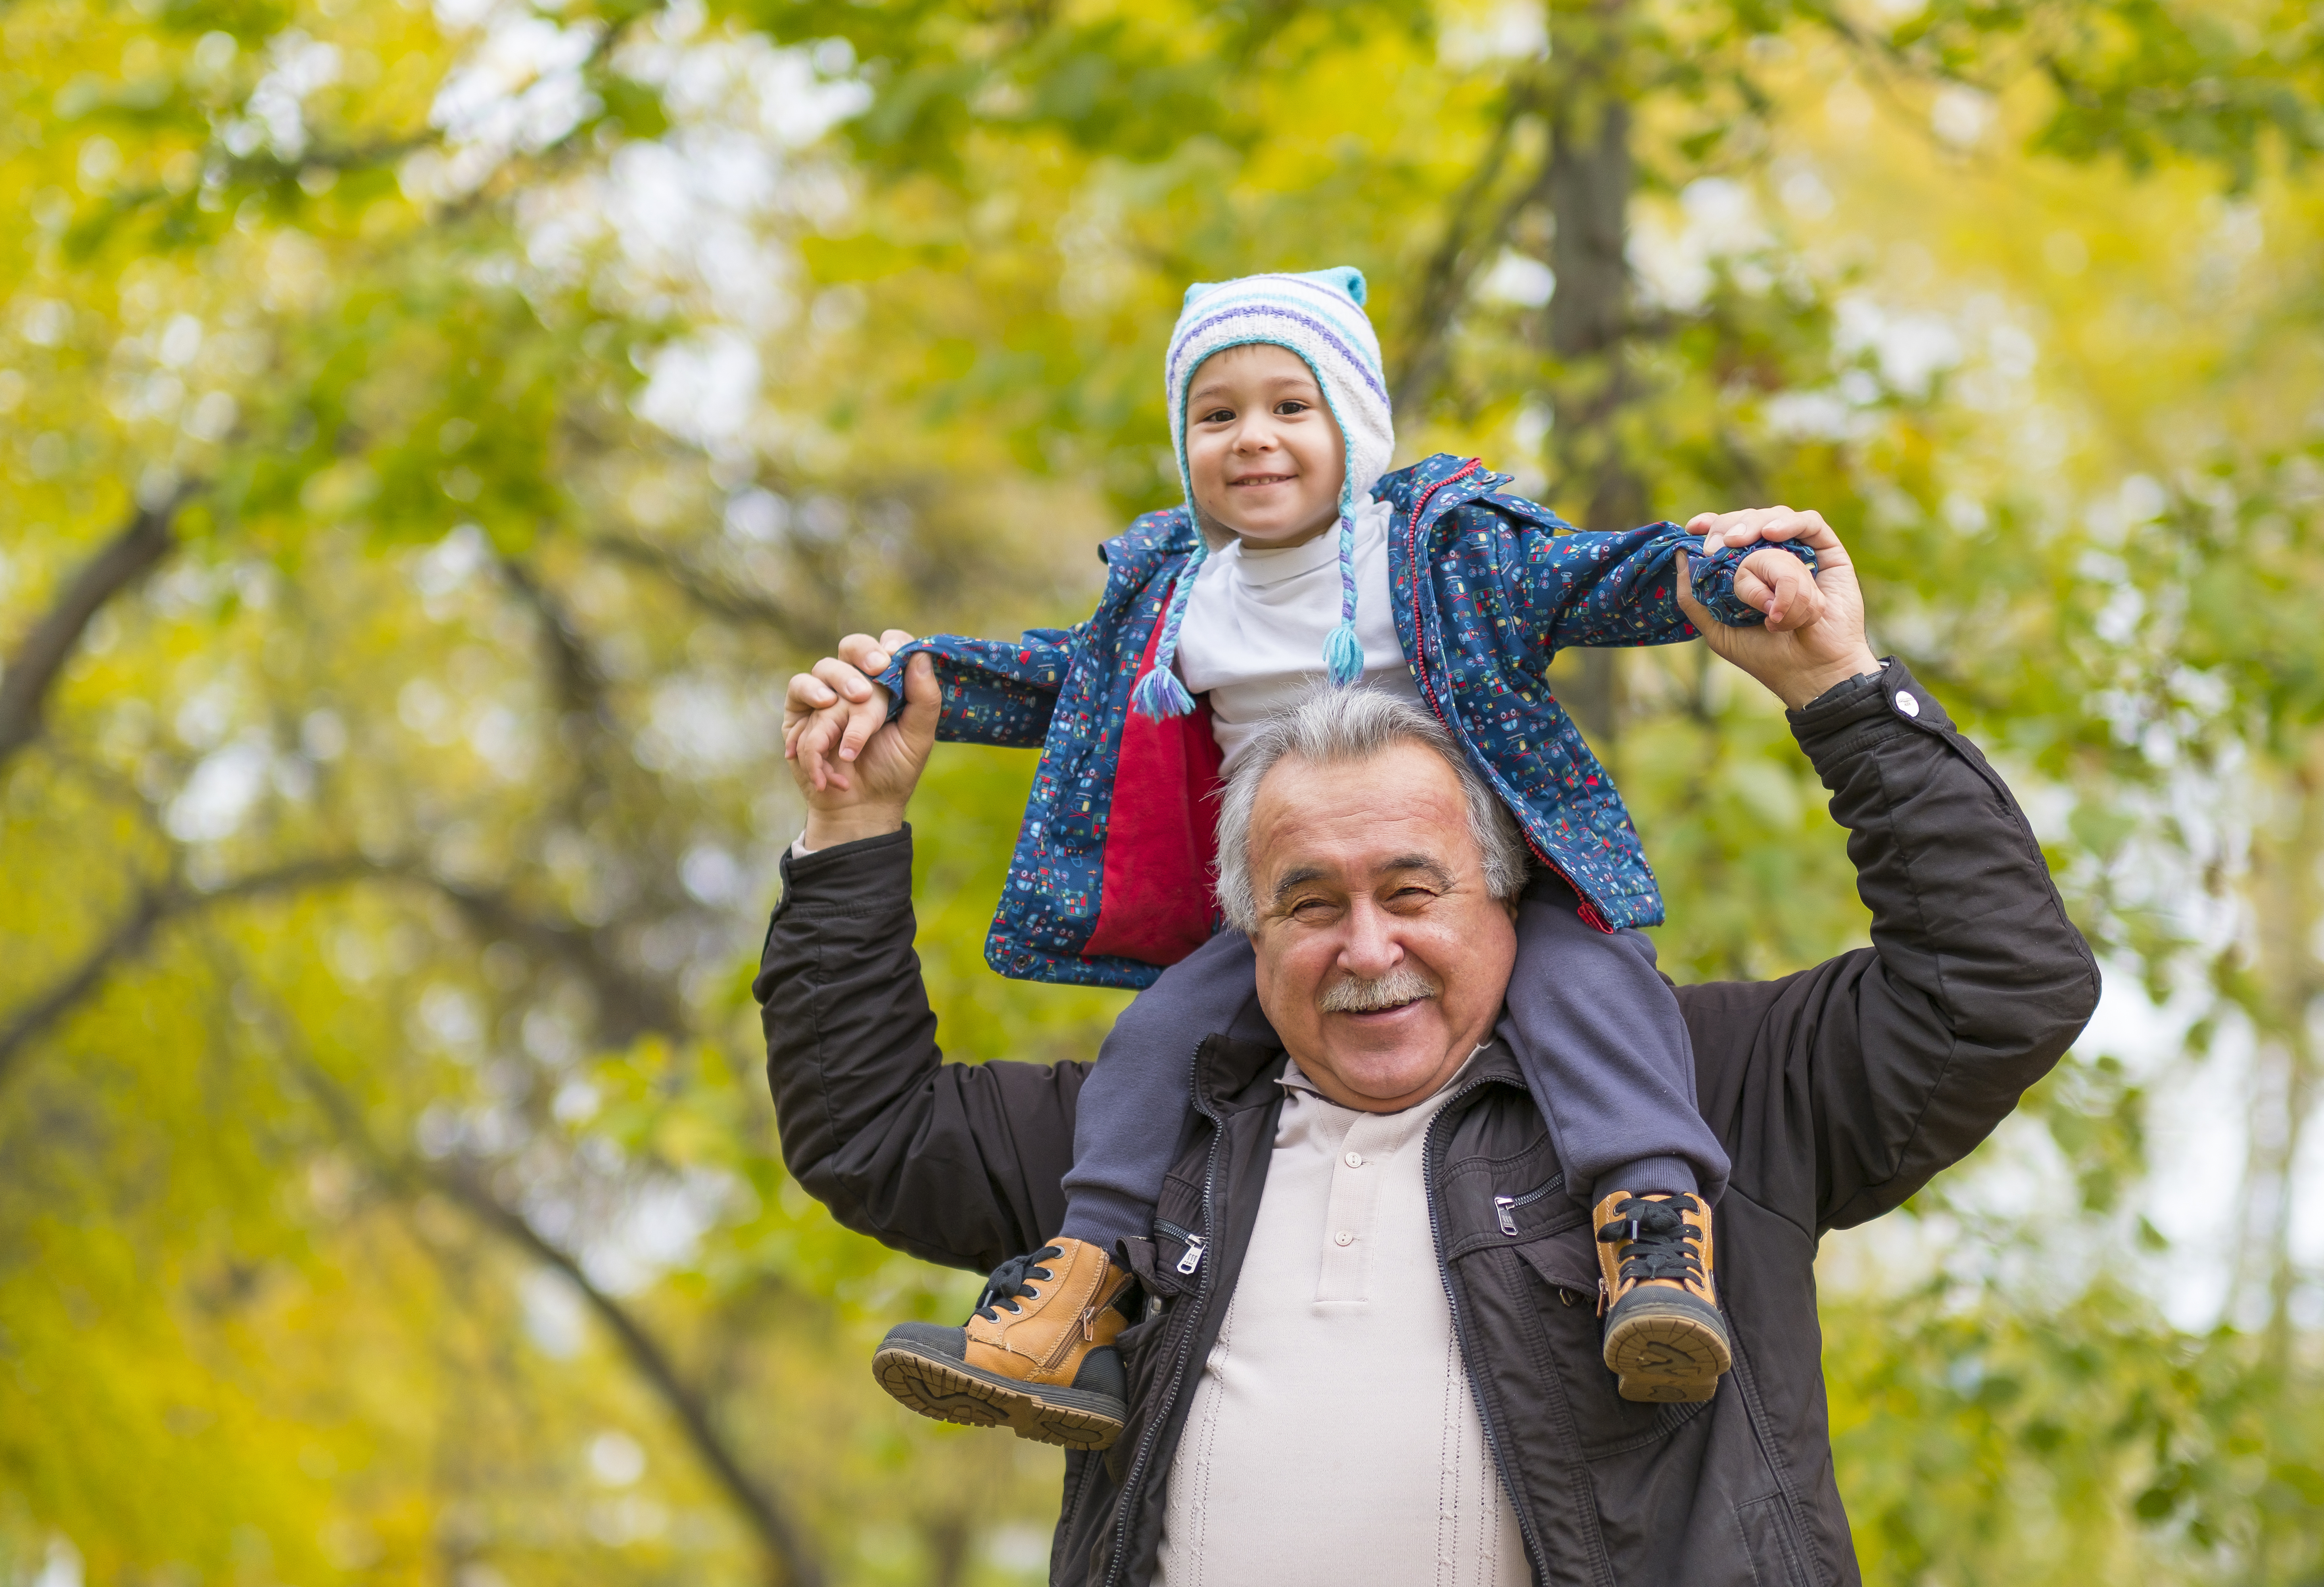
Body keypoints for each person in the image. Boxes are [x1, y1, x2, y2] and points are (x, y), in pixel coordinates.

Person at [753, 527, 2100, 1585]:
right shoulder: (1149, 1132)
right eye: (1309, 903)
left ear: (1507, 893)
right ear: (1245, 931)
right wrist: (852, 831)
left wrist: (1838, 692)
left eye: (1413, 892)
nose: (1365, 947)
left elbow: (1998, 986)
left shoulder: (1706, 1094)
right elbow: (871, 1134)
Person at [782, 267, 1831, 1437]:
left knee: (1598, 991)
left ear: (1355, 427)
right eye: (1216, 415)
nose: (1254, 440)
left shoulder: (1436, 554)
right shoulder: (1176, 599)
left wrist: (1717, 571)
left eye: (1293, 407)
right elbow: (1056, 684)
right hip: (1294, 909)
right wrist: (905, 683)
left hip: (1474, 886)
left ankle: (1651, 1237)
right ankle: (1085, 1283)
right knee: (1159, 1039)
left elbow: (1585, 579)